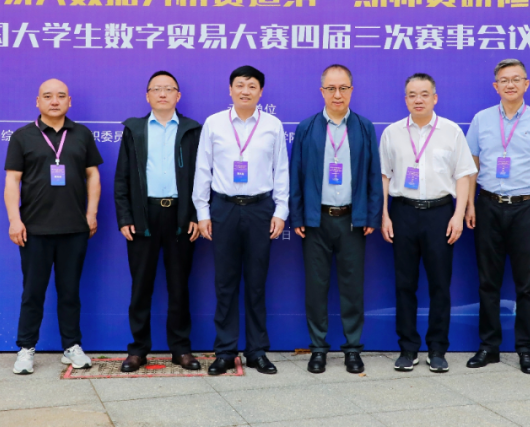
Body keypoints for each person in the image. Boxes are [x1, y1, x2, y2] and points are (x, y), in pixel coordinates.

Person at [465, 59, 530, 375]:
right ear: (495, 86)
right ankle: (489, 346)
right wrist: (469, 205)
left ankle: (526, 349)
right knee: (487, 282)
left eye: (516, 79)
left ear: (526, 84)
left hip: (527, 208)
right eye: (504, 80)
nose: (510, 85)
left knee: (526, 284)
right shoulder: (481, 119)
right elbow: (471, 166)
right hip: (488, 206)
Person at [193, 65, 290, 376]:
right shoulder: (214, 123)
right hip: (224, 208)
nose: (245, 91)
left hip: (260, 208)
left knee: (257, 284)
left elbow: (281, 170)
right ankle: (224, 351)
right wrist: (203, 212)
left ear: (261, 92)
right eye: (239, 85)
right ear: (230, 89)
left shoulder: (273, 125)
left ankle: (257, 351)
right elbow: (203, 169)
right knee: (225, 283)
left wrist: (281, 210)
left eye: (251, 86)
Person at [380, 73, 476, 373]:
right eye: (412, 94)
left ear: (435, 98)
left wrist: (458, 214)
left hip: (440, 214)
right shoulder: (392, 133)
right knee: (404, 284)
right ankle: (408, 348)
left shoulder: (451, 131)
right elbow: (384, 176)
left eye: (424, 94)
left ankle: (437, 349)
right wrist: (384, 214)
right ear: (405, 99)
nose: (418, 99)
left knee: (440, 285)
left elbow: (463, 175)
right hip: (403, 212)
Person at [5, 79, 102, 375]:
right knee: (33, 292)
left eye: (61, 96)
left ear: (69, 101)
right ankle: (26, 349)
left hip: (74, 228)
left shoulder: (82, 134)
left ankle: (71, 346)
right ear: (38, 101)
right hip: (34, 230)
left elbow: (93, 175)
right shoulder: (22, 136)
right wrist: (14, 219)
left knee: (70, 292)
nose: (54, 101)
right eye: (48, 96)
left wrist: (91, 213)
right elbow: (12, 180)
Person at [289, 64, 382, 374]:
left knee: (352, 288)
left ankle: (352, 349)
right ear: (322, 91)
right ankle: (318, 349)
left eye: (343, 88)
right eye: (331, 88)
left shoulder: (364, 127)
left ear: (351, 91)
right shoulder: (307, 128)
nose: (337, 94)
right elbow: (296, 175)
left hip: (352, 220)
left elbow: (373, 174)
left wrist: (371, 215)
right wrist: (298, 216)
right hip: (316, 220)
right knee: (316, 288)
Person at [114, 71, 203, 372]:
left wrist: (195, 215)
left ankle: (181, 349)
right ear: (147, 95)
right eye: (156, 89)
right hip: (144, 216)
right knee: (141, 286)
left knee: (179, 286)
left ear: (178, 95)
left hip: (180, 216)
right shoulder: (134, 129)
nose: (162, 94)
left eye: (168, 89)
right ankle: (138, 350)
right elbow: (122, 177)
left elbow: (202, 177)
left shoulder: (192, 130)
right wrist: (125, 217)